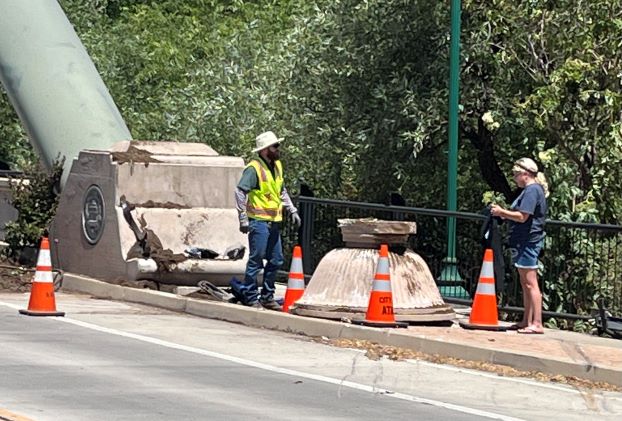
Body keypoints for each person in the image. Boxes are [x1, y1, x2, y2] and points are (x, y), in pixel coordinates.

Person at [234, 131, 301, 310]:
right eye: (275, 146)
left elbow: (281, 191)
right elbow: (240, 192)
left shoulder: (277, 166)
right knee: (256, 259)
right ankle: (250, 296)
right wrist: (242, 217)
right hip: (258, 221)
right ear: (264, 150)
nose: (278, 149)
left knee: (277, 259)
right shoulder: (254, 168)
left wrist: (291, 209)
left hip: (273, 221)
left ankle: (267, 297)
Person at [490, 157, 549, 334]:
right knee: (525, 282)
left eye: (516, 175)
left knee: (531, 282)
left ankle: (537, 322)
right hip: (523, 240)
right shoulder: (530, 191)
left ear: (525, 174)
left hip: (528, 241)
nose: (514, 178)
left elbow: (523, 216)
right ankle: (526, 319)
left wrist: (502, 212)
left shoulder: (532, 191)